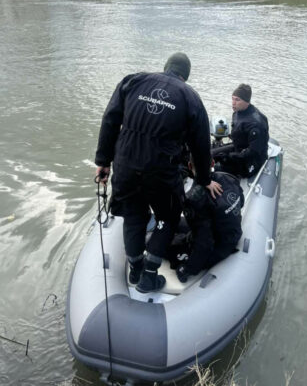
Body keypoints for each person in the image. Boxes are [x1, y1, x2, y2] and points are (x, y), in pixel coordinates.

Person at [94, 52, 220, 293]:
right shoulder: (190, 97)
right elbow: (201, 146)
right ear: (186, 75)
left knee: (133, 216)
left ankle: (135, 268)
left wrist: (103, 161)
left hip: (126, 165)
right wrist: (203, 179)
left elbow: (110, 120)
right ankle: (149, 276)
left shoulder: (133, 81)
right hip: (161, 172)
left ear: (165, 67)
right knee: (168, 218)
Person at [176, 157, 244, 283]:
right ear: (213, 163)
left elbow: (205, 243)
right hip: (233, 233)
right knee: (177, 224)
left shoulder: (194, 199)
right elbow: (242, 202)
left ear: (190, 166)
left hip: (219, 246)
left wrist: (188, 269)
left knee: (163, 243)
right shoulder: (228, 178)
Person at [212, 84, 269, 178]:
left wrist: (228, 157)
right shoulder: (238, 112)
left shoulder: (256, 124)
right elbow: (239, 133)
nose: (233, 103)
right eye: (232, 98)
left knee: (215, 168)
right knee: (211, 154)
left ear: (247, 101)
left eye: (237, 100)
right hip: (238, 148)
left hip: (251, 160)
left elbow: (253, 152)